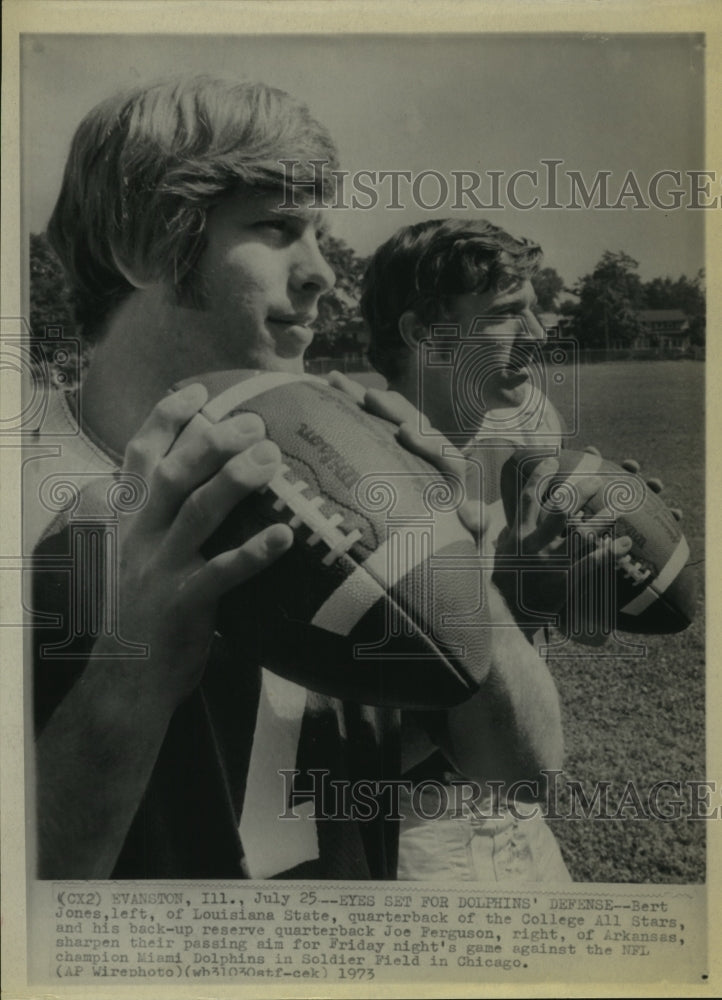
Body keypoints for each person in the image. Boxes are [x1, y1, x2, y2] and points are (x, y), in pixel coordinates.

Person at [32, 77, 569, 882]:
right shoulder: (28, 498)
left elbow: (523, 774)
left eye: (319, 233)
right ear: (141, 245)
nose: (323, 274)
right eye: (277, 227)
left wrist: (461, 574)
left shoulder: (347, 461)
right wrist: (129, 679)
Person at [339, 217, 634, 880]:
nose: (538, 334)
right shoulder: (355, 465)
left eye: (534, 308)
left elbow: (580, 631)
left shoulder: (530, 431)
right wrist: (512, 604)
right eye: (506, 314)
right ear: (423, 332)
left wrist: (598, 577)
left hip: (521, 816)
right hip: (414, 831)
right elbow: (367, 739)